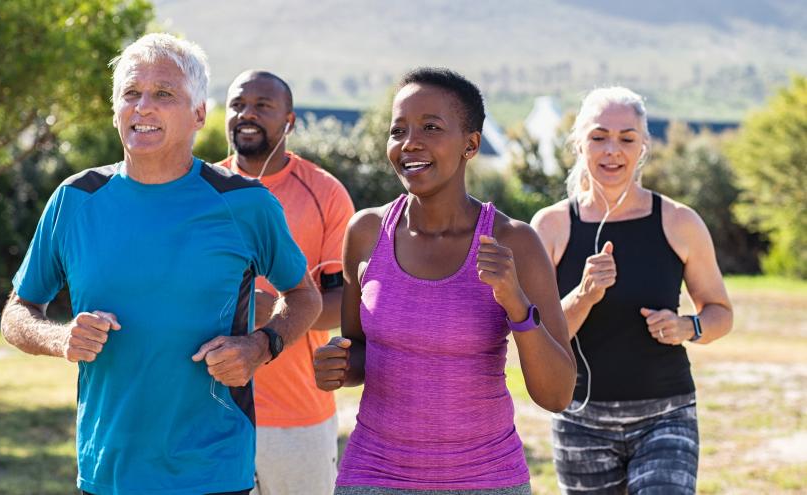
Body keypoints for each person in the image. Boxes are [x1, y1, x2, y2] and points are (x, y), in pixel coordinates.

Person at [0, 34, 322, 495]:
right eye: (131, 94)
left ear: (198, 114)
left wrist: (260, 346)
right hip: (107, 469)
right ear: (115, 111)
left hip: (213, 469)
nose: (143, 107)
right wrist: (60, 337)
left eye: (164, 94)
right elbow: (17, 311)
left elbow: (304, 295)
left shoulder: (245, 203)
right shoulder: (75, 200)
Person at [313, 67, 577, 495]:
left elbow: (557, 394)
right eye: (398, 130)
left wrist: (515, 303)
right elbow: (359, 349)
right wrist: (339, 366)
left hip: (485, 479)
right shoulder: (365, 234)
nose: (409, 142)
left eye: (431, 127)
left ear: (470, 145)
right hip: (374, 476)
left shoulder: (514, 242)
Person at [531, 86, 734, 494]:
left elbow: (720, 312)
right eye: (599, 137)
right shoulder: (550, 227)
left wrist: (688, 326)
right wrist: (583, 295)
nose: (612, 151)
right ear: (578, 143)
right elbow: (536, 337)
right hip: (580, 421)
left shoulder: (679, 222)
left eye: (626, 139)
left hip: (667, 415)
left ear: (643, 147)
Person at [217, 70, 355, 495]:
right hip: (207, 410)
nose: (247, 114)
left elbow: (347, 300)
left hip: (298, 414)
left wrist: (277, 309)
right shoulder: (197, 190)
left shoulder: (325, 193)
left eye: (263, 106)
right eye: (238, 104)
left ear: (289, 121)